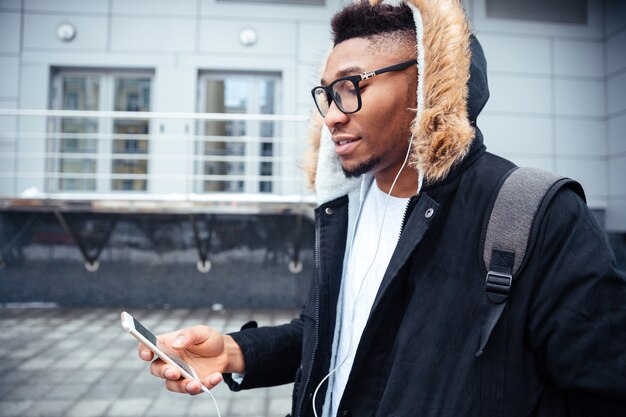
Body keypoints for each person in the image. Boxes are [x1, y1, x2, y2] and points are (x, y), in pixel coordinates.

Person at [138, 1, 626, 416]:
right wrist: (234, 352)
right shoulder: (345, 207)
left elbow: (603, 389)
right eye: (326, 94)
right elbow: (331, 332)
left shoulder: (537, 214)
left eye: (351, 87)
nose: (330, 115)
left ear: (430, 83)